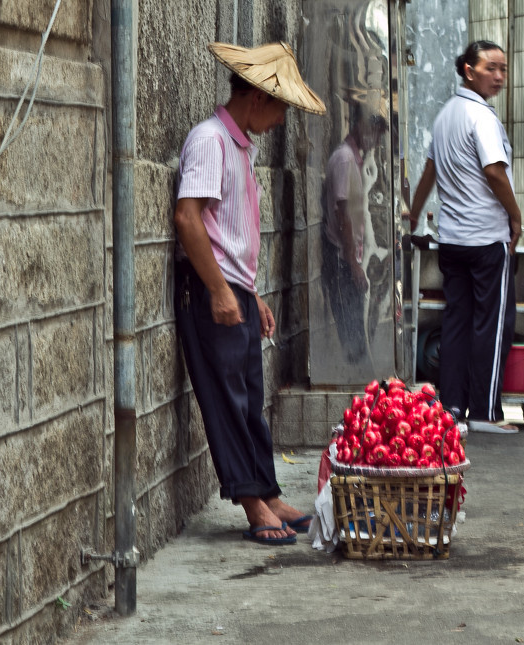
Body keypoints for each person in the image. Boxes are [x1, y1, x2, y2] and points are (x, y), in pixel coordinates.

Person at [173, 41, 326, 545]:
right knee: (226, 398)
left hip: (232, 287)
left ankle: (268, 492)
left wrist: (249, 294)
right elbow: (188, 218)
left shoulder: (238, 147)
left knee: (250, 398)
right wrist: (219, 290)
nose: (282, 120)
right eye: (281, 108)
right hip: (210, 288)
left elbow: (229, 233)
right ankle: (252, 504)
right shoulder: (210, 140)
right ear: (258, 97)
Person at [406, 40, 522, 434]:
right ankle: (486, 413)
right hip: (486, 240)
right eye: (491, 68)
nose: (499, 77)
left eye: (503, 69)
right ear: (469, 71)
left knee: (456, 323)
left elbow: (429, 172)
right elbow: (494, 171)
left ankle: (452, 407)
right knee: (492, 325)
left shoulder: (445, 115)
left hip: (453, 241)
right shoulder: (481, 117)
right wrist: (515, 216)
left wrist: (415, 213)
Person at [321, 89, 388, 363]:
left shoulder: (354, 159)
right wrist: (353, 264)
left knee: (357, 337)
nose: (377, 140)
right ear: (361, 125)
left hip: (348, 261)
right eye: (375, 132)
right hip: (341, 262)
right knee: (352, 340)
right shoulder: (345, 159)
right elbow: (343, 215)